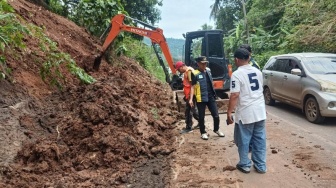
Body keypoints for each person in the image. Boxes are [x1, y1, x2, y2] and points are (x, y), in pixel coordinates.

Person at [227, 48, 267, 174]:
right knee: (259, 139)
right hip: (260, 111)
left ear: (236, 60)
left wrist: (229, 112)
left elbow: (234, 95)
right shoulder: (257, 71)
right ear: (249, 58)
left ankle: (245, 164)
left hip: (246, 113)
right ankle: (261, 166)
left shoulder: (237, 75)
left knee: (244, 140)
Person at [190, 56, 225, 140]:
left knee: (216, 115)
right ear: (198, 64)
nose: (204, 65)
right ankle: (203, 132)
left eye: (205, 63)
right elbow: (192, 86)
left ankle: (216, 129)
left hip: (210, 97)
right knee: (201, 117)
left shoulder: (208, 71)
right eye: (202, 63)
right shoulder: (194, 73)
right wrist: (191, 99)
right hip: (201, 98)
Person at [175, 61, 199, 134]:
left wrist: (190, 98)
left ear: (182, 67)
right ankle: (201, 122)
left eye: (179, 69)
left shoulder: (189, 72)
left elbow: (192, 86)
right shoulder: (187, 72)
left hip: (191, 95)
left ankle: (189, 127)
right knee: (192, 110)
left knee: (189, 111)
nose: (179, 71)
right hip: (189, 95)